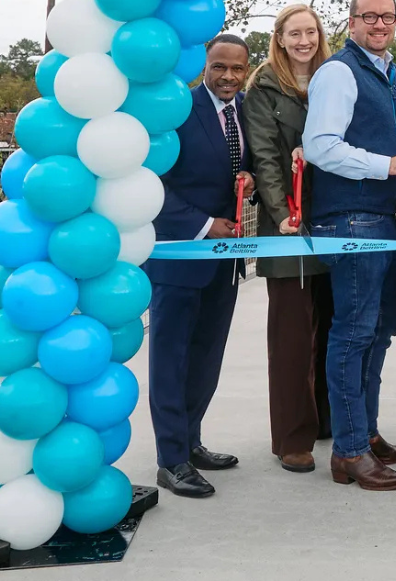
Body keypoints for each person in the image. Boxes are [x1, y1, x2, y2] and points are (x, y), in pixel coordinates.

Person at [302, 0, 396, 491]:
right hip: (349, 220)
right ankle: (347, 453)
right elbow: (320, 146)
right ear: (350, 23)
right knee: (352, 332)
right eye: (369, 17)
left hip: (385, 220)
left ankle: (364, 433)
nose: (379, 24)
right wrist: (383, 167)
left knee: (380, 330)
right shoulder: (338, 72)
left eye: (387, 16)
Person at [145, 34, 251, 499]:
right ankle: (171, 460)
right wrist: (206, 225)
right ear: (204, 66)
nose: (228, 76)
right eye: (219, 67)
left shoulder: (246, 111)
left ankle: (191, 442)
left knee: (207, 356)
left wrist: (247, 179)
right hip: (179, 256)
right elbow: (153, 182)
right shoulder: (177, 110)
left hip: (224, 265)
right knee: (171, 360)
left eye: (237, 68)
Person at [244, 4, 335, 474]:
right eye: (294, 33)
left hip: (336, 223)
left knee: (332, 329)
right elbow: (264, 157)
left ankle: (326, 420)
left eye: (311, 32)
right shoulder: (262, 90)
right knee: (293, 337)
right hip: (289, 228)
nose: (304, 40)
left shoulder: (332, 78)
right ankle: (292, 437)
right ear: (279, 39)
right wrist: (283, 215)